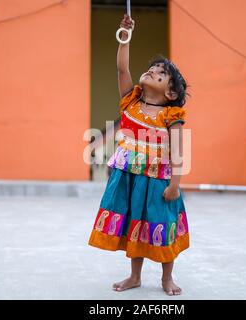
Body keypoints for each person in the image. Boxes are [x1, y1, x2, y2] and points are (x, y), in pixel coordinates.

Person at [88, 13, 190, 296]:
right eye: (152, 68)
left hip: (159, 181)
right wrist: (125, 36)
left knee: (162, 224)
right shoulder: (130, 102)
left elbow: (179, 150)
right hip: (129, 178)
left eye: (161, 73)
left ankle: (167, 278)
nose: (152, 71)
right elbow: (122, 70)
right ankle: (134, 276)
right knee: (136, 224)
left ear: (170, 92)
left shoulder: (172, 115)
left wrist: (175, 185)